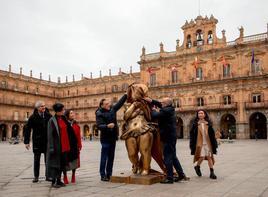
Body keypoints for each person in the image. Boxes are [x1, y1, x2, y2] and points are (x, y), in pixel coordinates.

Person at [144, 97, 189, 184]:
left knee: (167, 157)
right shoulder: (169, 109)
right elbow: (160, 105)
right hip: (171, 136)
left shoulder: (165, 111)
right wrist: (152, 101)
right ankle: (181, 174)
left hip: (168, 137)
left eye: (162, 102)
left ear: (166, 104)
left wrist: (153, 109)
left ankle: (169, 178)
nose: (161, 103)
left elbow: (154, 115)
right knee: (173, 157)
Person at [95, 93, 127, 181]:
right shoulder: (99, 113)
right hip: (105, 138)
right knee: (104, 157)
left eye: (109, 103)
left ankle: (109, 174)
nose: (108, 105)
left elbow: (120, 103)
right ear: (102, 105)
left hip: (113, 137)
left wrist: (126, 95)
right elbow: (99, 126)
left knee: (111, 157)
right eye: (106, 104)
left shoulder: (112, 109)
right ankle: (102, 175)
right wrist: (107, 126)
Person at [47, 103, 78, 188]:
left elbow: (69, 131)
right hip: (57, 146)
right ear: (58, 111)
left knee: (62, 164)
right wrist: (51, 147)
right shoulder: (52, 120)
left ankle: (59, 180)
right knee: (55, 164)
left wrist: (74, 143)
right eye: (63, 110)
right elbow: (50, 135)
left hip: (65, 145)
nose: (64, 111)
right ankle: (53, 181)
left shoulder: (63, 118)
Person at [24, 101, 52, 183]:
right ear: (37, 108)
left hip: (47, 141)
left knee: (48, 160)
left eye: (44, 106)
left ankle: (48, 176)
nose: (44, 107)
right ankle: (36, 176)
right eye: (42, 106)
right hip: (37, 141)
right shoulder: (33, 117)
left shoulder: (48, 116)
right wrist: (26, 141)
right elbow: (28, 129)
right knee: (36, 160)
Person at [189, 110, 218, 179]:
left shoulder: (208, 123)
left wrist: (214, 143)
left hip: (208, 143)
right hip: (199, 143)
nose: (200, 114)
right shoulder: (195, 124)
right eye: (199, 113)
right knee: (201, 157)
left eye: (202, 113)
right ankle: (197, 166)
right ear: (197, 115)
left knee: (209, 157)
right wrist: (192, 144)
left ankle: (212, 173)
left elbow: (212, 135)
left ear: (204, 115)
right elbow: (192, 135)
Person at [63, 109, 82, 184]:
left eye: (73, 113)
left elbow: (78, 136)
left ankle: (73, 175)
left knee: (75, 160)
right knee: (65, 161)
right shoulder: (64, 123)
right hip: (66, 145)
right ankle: (65, 176)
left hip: (74, 146)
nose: (73, 114)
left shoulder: (76, 124)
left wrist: (80, 145)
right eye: (71, 113)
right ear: (67, 114)